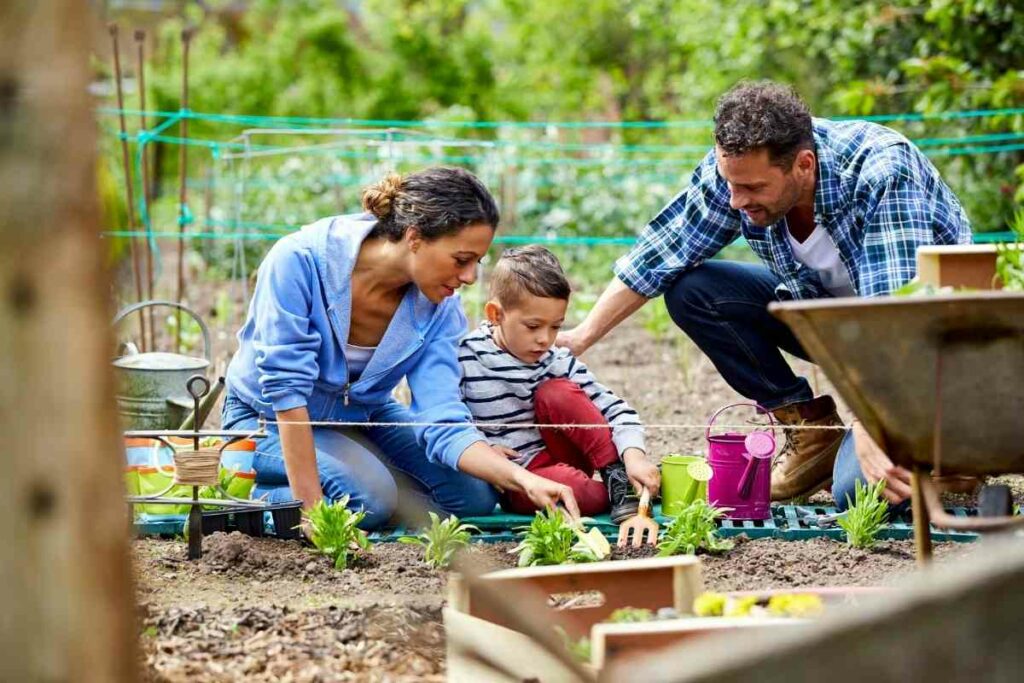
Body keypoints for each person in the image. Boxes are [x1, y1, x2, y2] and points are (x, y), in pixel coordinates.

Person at [557, 81, 972, 511]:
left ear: (804, 165)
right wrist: (581, 336)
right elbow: (662, 252)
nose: (736, 200)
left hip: (932, 350)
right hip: (837, 327)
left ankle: (957, 447)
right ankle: (814, 436)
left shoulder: (882, 172)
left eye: (753, 188)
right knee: (694, 291)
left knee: (858, 491)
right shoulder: (739, 170)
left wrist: (869, 424)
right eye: (731, 184)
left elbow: (899, 317)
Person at [222, 167, 580, 529]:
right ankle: (237, 489)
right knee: (368, 500)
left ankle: (367, 478)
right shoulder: (300, 260)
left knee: (475, 496)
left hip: (363, 417)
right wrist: (313, 514)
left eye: (477, 262)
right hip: (265, 419)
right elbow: (287, 393)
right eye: (461, 260)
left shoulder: (440, 307)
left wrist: (521, 478)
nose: (471, 277)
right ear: (414, 237)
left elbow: (441, 413)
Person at [459, 246, 661, 521]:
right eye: (533, 326)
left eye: (555, 326)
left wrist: (634, 456)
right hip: (520, 477)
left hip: (565, 453)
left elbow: (616, 410)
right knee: (575, 491)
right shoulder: (466, 357)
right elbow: (449, 420)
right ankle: (634, 490)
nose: (545, 339)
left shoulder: (555, 359)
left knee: (557, 392)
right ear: (496, 314)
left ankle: (618, 477)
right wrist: (483, 449)